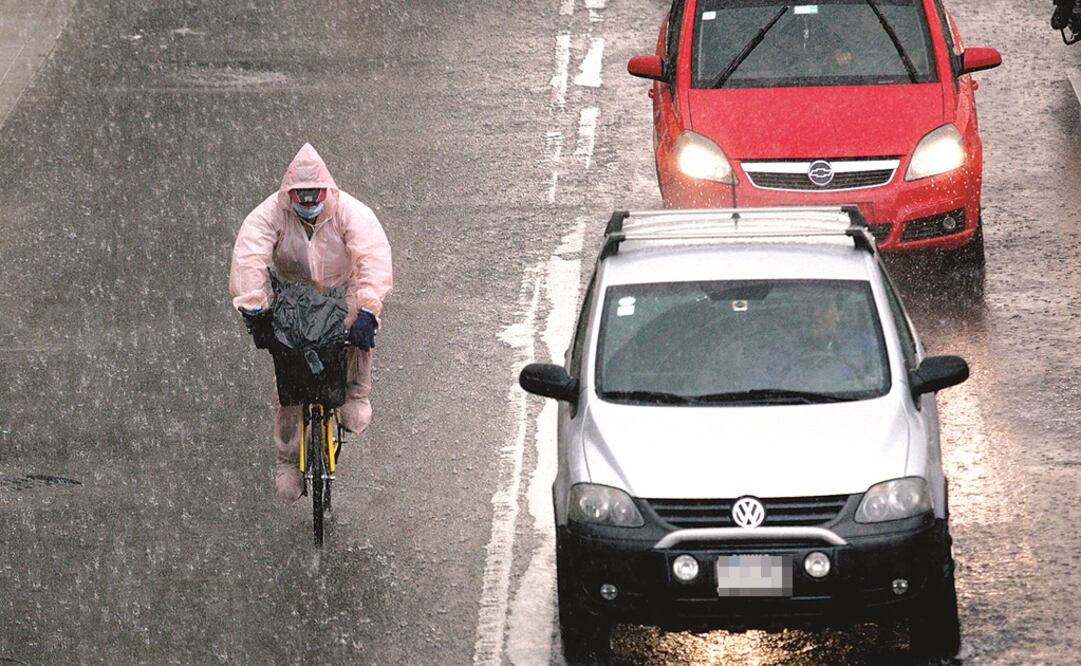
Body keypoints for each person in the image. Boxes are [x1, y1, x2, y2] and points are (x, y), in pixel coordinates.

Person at [229, 143, 393, 503]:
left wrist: (368, 309)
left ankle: (356, 394)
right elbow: (249, 256)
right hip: (293, 296)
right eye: (300, 200)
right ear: (290, 195)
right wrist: (255, 310)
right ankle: (287, 461)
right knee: (287, 382)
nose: (308, 208)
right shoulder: (269, 215)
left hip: (340, 290)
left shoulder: (351, 213)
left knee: (357, 340)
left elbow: (373, 258)